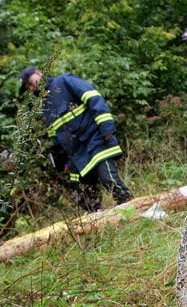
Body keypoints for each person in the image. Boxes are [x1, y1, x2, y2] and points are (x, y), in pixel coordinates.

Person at [19, 67, 132, 212]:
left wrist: (107, 128)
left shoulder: (65, 81)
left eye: (31, 82)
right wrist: (62, 161)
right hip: (76, 155)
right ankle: (100, 219)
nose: (31, 87)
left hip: (95, 140)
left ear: (39, 73)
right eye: (28, 87)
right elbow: (54, 135)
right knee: (83, 196)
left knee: (109, 179)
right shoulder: (44, 106)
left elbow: (94, 99)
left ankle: (132, 208)